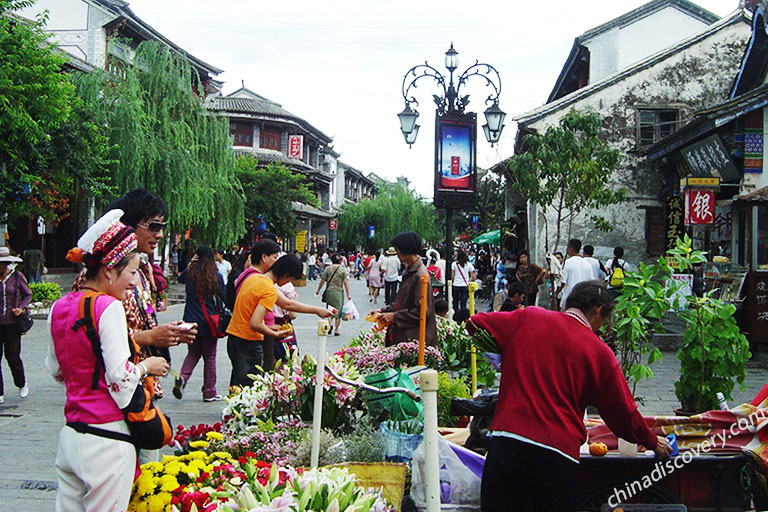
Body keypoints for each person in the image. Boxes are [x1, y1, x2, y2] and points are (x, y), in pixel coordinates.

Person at [469, 281, 672, 511]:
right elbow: (623, 414)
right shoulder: (599, 352)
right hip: (556, 456)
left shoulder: (529, 317)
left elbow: (476, 323)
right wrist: (651, 440)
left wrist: (505, 358)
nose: (600, 328)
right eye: (603, 321)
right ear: (597, 311)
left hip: (508, 445)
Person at [47, 210, 169, 512]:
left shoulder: (59, 306)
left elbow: (55, 369)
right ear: (109, 271)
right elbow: (121, 380)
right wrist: (146, 367)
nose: (131, 283)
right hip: (107, 439)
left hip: (71, 436)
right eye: (130, 273)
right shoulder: (107, 307)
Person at [73, 190, 198, 396]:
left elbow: (139, 322)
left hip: (145, 385)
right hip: (112, 389)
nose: (159, 235)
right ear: (127, 226)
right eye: (153, 226)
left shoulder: (142, 270)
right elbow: (88, 340)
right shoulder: (97, 276)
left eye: (162, 227)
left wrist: (168, 333)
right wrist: (149, 337)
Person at [227, 243, 333, 385]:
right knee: (248, 388)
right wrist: (274, 334)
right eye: (290, 279)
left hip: (234, 338)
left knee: (237, 387)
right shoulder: (269, 289)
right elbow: (255, 323)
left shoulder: (254, 278)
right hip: (248, 342)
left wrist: (318, 310)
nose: (289, 283)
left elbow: (287, 304)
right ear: (285, 274)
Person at [174, 246, 225, 402]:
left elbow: (179, 278)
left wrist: (189, 264)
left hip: (190, 321)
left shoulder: (190, 274)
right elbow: (224, 297)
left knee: (193, 353)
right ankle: (209, 391)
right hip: (209, 322)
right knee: (210, 356)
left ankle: (182, 378)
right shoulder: (216, 276)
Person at [371, 232, 437, 346]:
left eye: (398, 249)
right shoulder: (409, 270)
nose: (396, 253)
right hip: (405, 337)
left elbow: (422, 311)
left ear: (406, 249)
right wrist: (382, 311)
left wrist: (394, 316)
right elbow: (401, 302)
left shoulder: (420, 275)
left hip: (414, 339)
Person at [0, 247, 31, 404]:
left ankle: (21, 383)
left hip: (12, 324)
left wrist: (21, 307)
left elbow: (27, 294)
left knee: (12, 357)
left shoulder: (17, 277)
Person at [315, 253, 351, 337]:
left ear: (331, 260)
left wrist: (318, 290)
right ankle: (336, 329)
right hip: (338, 291)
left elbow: (322, 280)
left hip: (329, 291)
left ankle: (330, 324)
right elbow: (345, 283)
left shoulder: (328, 269)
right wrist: (348, 294)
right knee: (338, 311)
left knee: (330, 309)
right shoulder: (342, 270)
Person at [556, 239, 594, 310]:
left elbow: (562, 283)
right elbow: (591, 284)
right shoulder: (587, 265)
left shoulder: (567, 263)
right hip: (583, 301)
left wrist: (555, 294)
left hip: (569, 299)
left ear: (570, 249)